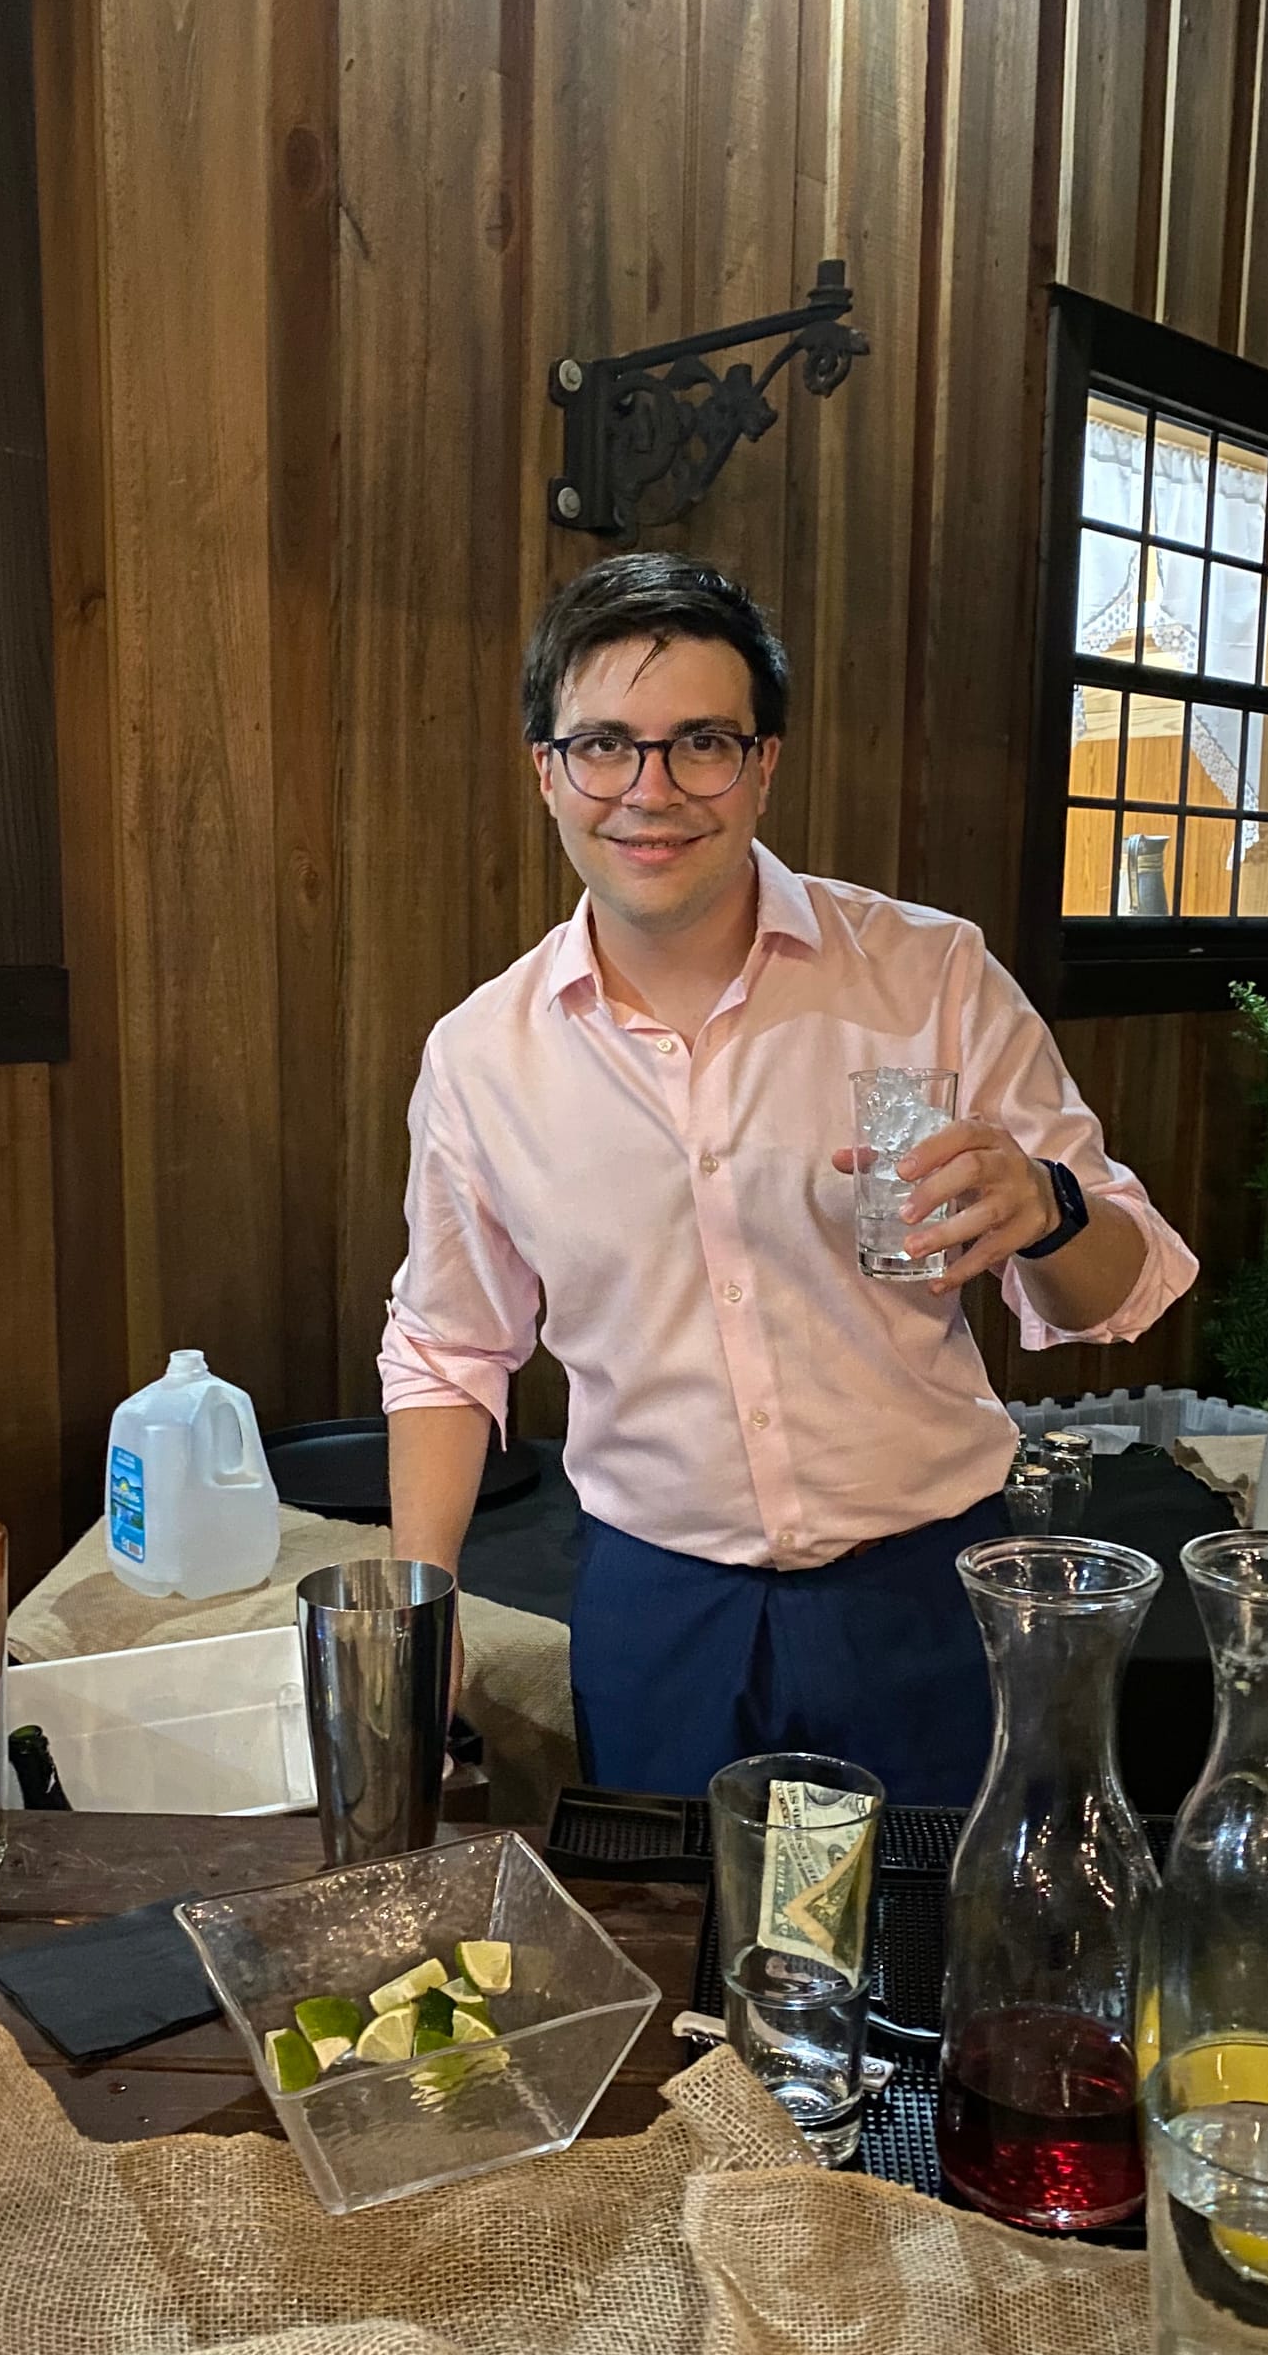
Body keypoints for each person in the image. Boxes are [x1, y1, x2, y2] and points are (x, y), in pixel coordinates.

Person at [380, 554, 1195, 1804]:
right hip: (658, 1601)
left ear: (762, 765)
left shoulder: (928, 976)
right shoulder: (484, 1054)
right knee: (686, 1957)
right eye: (603, 745)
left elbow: (1113, 1292)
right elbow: (446, 1347)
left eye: (699, 742)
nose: (649, 792)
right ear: (545, 771)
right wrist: (418, 1622)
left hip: (928, 1581)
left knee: (928, 1957)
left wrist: (1048, 1206)